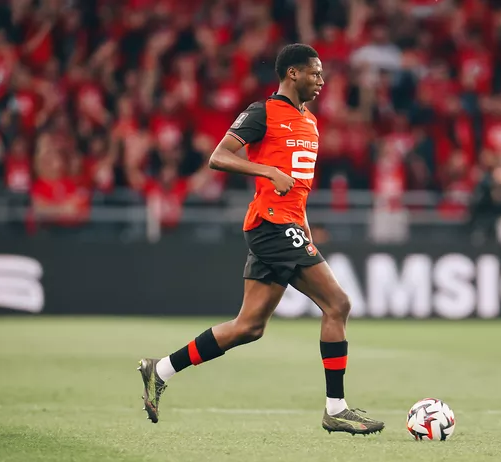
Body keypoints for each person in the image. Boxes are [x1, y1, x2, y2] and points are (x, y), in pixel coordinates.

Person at [137, 44, 385, 436]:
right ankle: (336, 409)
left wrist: (304, 227)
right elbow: (219, 157)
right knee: (338, 304)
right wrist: (267, 171)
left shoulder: (310, 122)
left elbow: (297, 189)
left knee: (249, 326)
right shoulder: (262, 112)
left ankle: (160, 369)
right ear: (292, 73)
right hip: (270, 224)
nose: (321, 80)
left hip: (287, 225)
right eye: (315, 72)